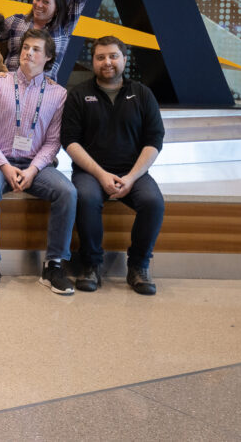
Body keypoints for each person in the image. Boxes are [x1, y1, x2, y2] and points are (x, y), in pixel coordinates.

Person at [0, 28, 76, 294]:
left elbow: (54, 141)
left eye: (36, 50)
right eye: (26, 48)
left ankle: (53, 265)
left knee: (67, 192)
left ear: (48, 58)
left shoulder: (58, 94)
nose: (28, 53)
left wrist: (32, 170)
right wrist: (4, 166)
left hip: (36, 166)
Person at [61, 36, 165, 295]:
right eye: (100, 57)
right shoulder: (79, 95)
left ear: (124, 59)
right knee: (85, 197)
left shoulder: (142, 94)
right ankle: (91, 264)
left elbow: (154, 141)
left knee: (153, 202)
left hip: (134, 172)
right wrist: (101, 173)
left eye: (113, 56)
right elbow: (70, 142)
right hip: (90, 172)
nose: (107, 62)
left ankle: (139, 267)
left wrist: (130, 178)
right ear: (93, 62)